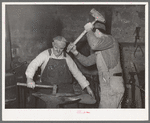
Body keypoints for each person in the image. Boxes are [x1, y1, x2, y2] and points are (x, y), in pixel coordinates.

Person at [25, 36, 95, 108]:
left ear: (64, 48)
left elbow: (77, 73)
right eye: (56, 48)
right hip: (47, 88)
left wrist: (87, 87)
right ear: (53, 44)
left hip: (65, 90)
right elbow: (33, 65)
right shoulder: (45, 54)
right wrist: (29, 79)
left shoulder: (67, 57)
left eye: (61, 49)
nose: (58, 51)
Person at [67, 22, 125, 108]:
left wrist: (88, 30)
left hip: (112, 84)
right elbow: (87, 62)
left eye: (92, 35)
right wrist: (76, 53)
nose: (90, 38)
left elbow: (94, 44)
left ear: (97, 31)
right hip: (107, 84)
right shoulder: (102, 50)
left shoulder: (109, 39)